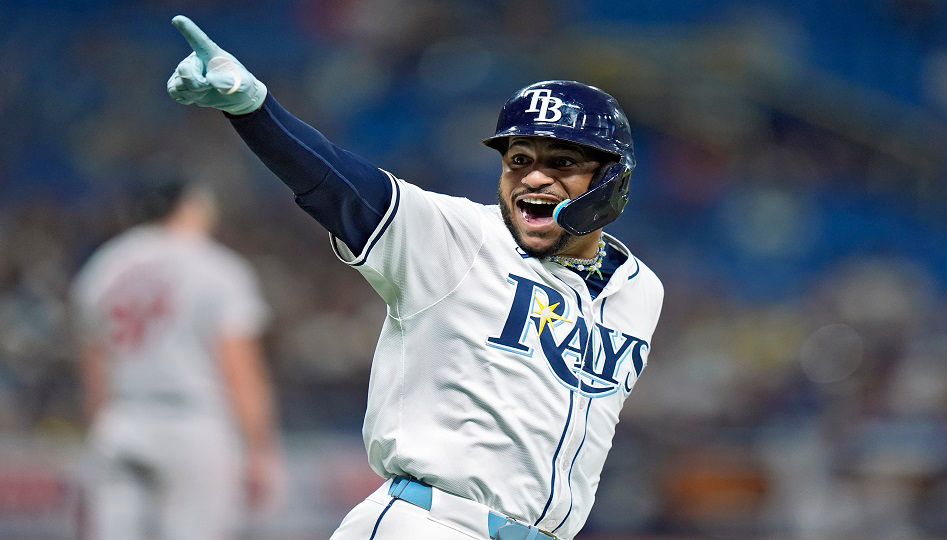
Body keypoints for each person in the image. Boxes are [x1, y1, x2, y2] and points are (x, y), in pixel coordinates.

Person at [166, 14, 662, 540]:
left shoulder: (641, 292)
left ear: (611, 181)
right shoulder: (456, 236)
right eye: (518, 160)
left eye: (561, 162)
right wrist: (254, 110)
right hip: (429, 522)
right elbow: (342, 186)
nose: (533, 176)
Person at [71, 178, 282, 540]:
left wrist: (100, 430)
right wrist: (260, 448)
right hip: (194, 425)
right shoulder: (216, 266)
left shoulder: (104, 265)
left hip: (120, 420)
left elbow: (94, 366)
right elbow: (239, 368)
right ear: (189, 206)